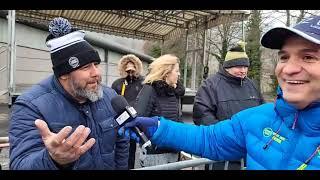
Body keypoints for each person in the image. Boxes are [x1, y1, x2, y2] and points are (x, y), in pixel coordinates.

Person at [119, 15, 320, 170]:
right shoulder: (260, 118)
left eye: (309, 57)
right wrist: (158, 129)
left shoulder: (250, 86)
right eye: (284, 57)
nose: (288, 68)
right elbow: (210, 138)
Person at [9, 17, 129, 170]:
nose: (96, 73)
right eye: (86, 67)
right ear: (63, 74)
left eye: (96, 65)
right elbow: (20, 165)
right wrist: (53, 160)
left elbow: (121, 144)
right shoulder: (30, 107)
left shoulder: (109, 96)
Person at [192, 41, 265, 170]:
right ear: (227, 66)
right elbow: (201, 115)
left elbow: (262, 112)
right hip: (223, 153)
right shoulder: (210, 85)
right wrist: (226, 136)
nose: (243, 71)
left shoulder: (251, 85)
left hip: (250, 153)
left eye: (245, 66)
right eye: (238, 67)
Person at [133, 54, 185, 168]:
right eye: (176, 71)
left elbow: (178, 120)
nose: (179, 74)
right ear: (166, 73)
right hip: (154, 155)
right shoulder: (149, 90)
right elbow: (138, 123)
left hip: (173, 152)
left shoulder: (175, 92)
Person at [111, 54, 144, 169]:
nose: (130, 70)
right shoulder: (117, 84)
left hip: (136, 119)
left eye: (132, 66)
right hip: (121, 120)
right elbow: (113, 101)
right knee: (121, 147)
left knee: (133, 147)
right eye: (127, 67)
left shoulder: (142, 83)